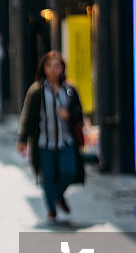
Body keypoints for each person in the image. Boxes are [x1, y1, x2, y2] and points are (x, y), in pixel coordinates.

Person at [16, 50, 85, 222]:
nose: (55, 69)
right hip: (44, 142)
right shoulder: (37, 90)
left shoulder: (69, 89)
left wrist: (68, 115)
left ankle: (57, 195)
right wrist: (22, 140)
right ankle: (51, 210)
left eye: (58, 66)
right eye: (52, 66)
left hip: (65, 140)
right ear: (45, 68)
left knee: (69, 170)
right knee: (47, 175)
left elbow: (79, 113)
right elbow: (28, 117)